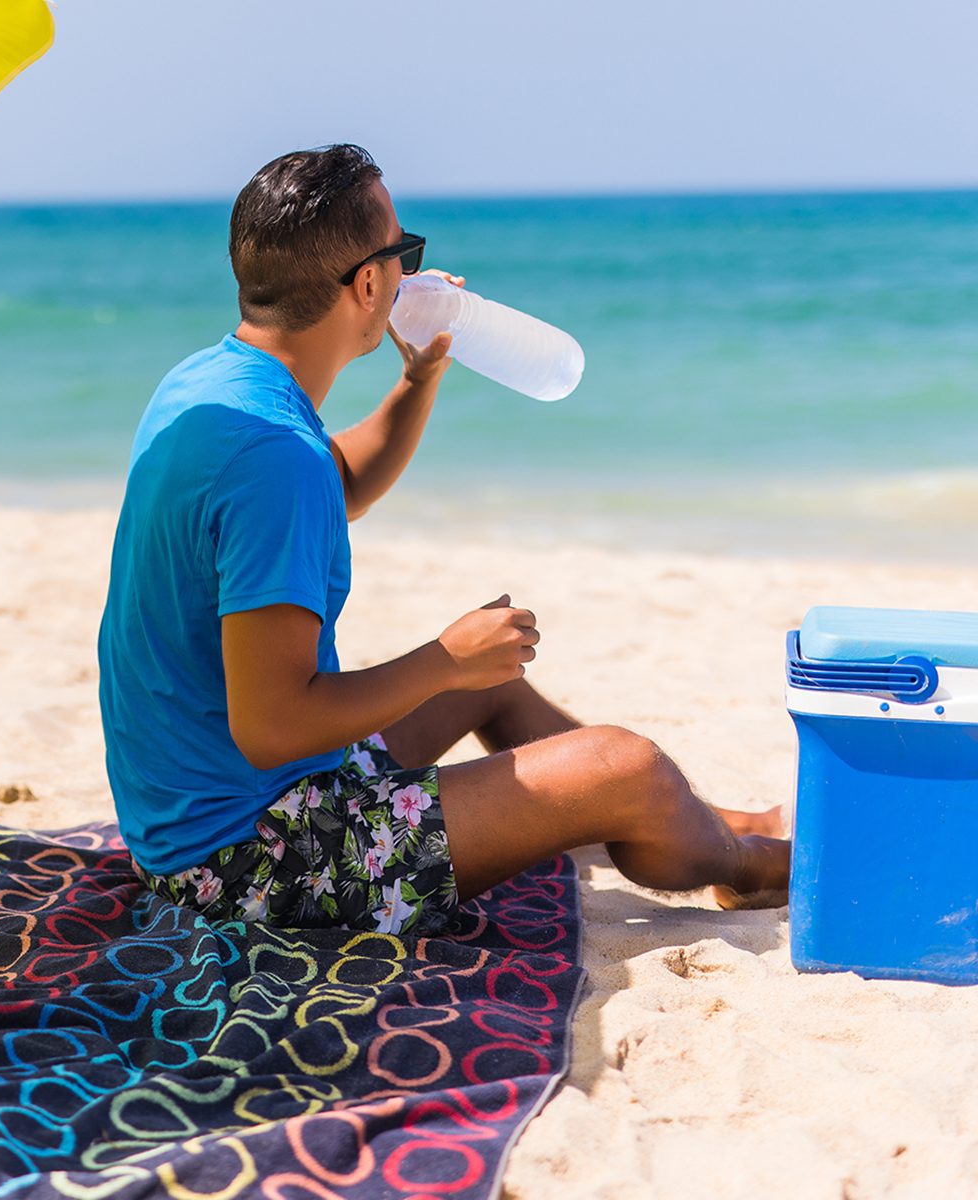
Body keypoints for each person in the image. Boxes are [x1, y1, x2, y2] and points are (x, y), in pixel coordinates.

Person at [97, 143, 789, 936]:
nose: (408, 270)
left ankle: (703, 817)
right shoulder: (271, 457)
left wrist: (418, 377)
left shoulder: (211, 387)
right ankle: (750, 867)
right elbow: (272, 728)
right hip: (246, 857)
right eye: (403, 252)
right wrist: (440, 659)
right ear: (368, 283)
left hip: (204, 808)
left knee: (485, 685)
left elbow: (340, 487)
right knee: (623, 765)